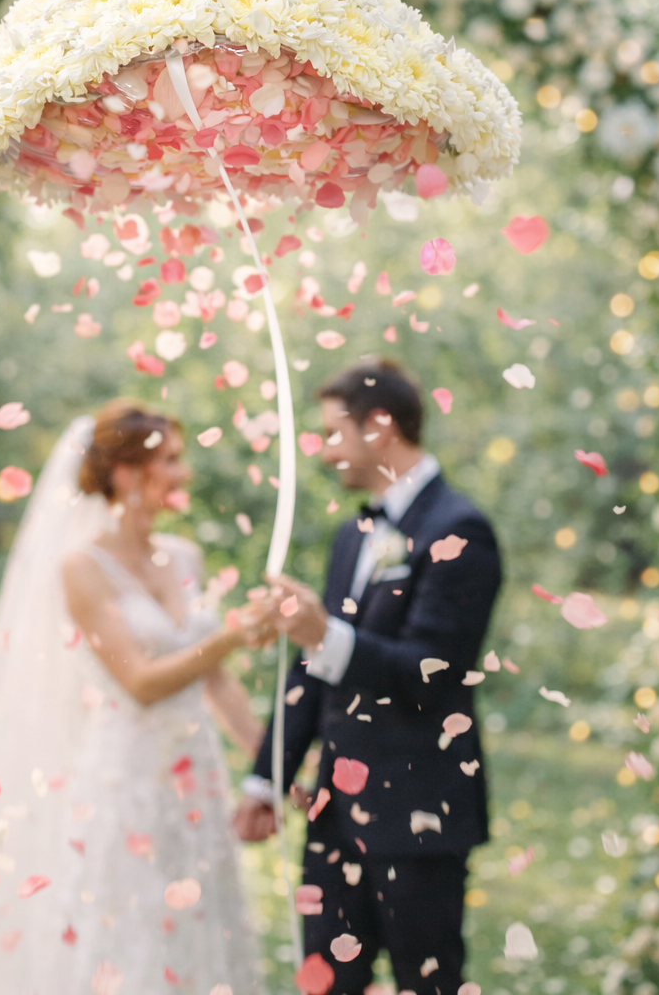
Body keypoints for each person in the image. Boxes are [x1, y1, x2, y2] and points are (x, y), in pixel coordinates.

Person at [0, 401, 276, 995]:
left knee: (196, 930)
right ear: (125, 473)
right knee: (127, 931)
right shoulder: (82, 568)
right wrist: (229, 634)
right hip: (125, 779)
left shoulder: (186, 557)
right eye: (170, 460)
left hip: (194, 778)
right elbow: (141, 682)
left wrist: (273, 762)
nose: (184, 473)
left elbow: (215, 680)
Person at [234, 359, 503, 995]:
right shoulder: (353, 536)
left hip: (418, 814)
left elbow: (429, 675)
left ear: (379, 426)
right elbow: (315, 668)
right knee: (324, 984)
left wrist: (325, 633)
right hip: (335, 815)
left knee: (427, 984)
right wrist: (266, 778)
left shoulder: (461, 531)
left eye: (334, 433)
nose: (326, 451)